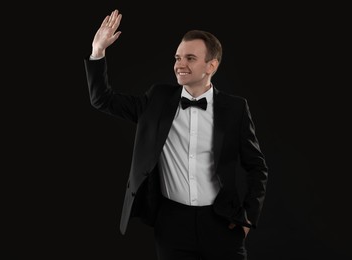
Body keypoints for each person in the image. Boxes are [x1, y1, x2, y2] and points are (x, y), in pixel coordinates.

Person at [84, 9, 268, 260]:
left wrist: (248, 218)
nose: (180, 64)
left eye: (190, 58)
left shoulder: (235, 108)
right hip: (172, 223)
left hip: (222, 222)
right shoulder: (157, 99)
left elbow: (257, 167)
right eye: (177, 57)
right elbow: (102, 100)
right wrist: (98, 51)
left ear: (211, 65)